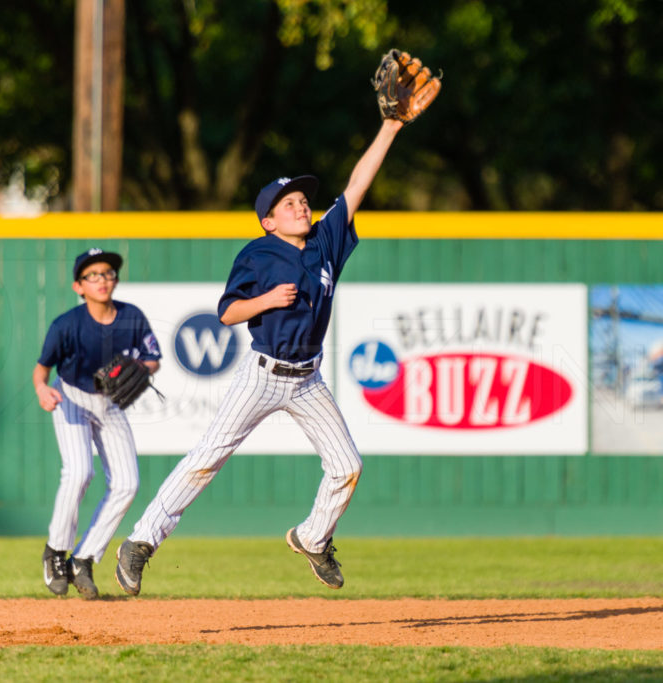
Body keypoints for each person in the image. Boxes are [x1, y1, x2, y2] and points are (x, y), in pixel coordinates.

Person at [114, 116, 408, 596]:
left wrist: (391, 127)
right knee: (207, 456)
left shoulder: (324, 242)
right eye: (288, 203)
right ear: (268, 220)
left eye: (303, 199)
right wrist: (267, 301)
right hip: (263, 372)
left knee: (347, 465)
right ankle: (140, 543)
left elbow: (358, 183)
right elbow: (227, 313)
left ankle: (313, 537)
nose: (301, 205)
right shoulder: (257, 254)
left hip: (308, 378)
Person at [33, 248, 162, 599]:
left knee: (127, 483)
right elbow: (42, 369)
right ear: (79, 286)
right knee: (78, 472)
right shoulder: (66, 325)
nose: (102, 280)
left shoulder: (131, 316)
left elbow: (153, 358)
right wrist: (43, 390)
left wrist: (141, 369)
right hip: (71, 397)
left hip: (109, 403)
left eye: (107, 273)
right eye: (93, 275)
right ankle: (56, 553)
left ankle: (83, 558)